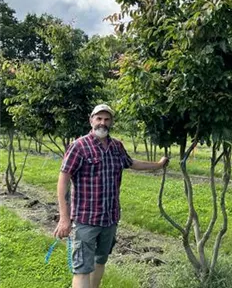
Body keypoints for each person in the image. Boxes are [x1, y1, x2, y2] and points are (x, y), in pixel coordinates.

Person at [53, 104, 169, 288]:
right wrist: (64, 218)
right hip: (86, 219)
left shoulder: (117, 147)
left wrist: (158, 165)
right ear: (91, 120)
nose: (102, 123)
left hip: (110, 219)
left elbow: (131, 163)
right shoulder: (79, 146)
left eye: (106, 119)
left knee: (100, 261)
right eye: (98, 119)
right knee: (82, 268)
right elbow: (63, 180)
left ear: (111, 122)